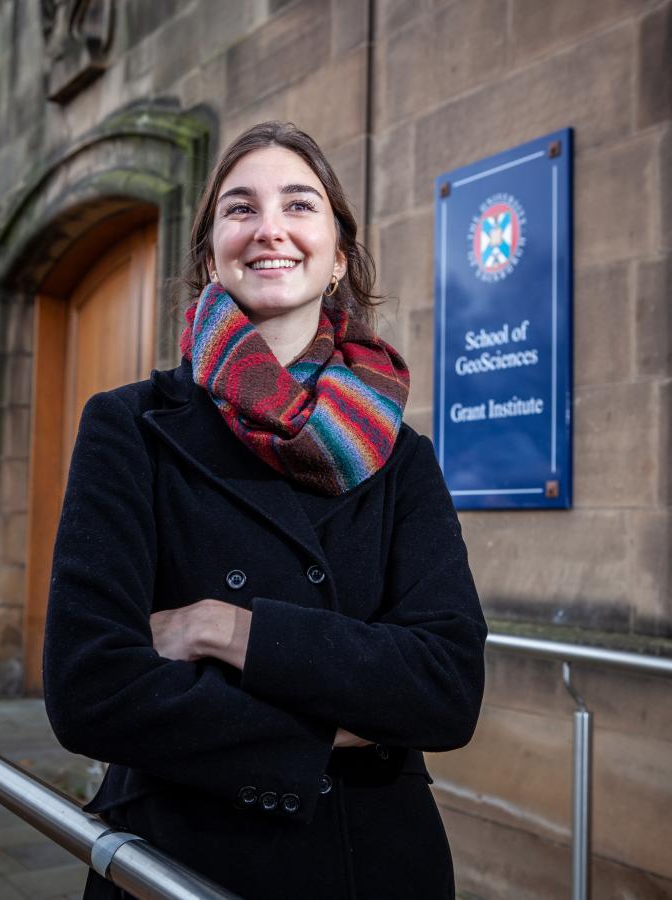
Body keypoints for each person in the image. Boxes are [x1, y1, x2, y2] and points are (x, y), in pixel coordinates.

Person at [43, 121, 487, 900]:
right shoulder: (130, 425)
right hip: (181, 858)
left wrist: (228, 629)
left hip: (371, 858)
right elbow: (89, 686)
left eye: (298, 204)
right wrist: (344, 726)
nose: (270, 229)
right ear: (211, 252)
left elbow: (446, 689)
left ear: (337, 254)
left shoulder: (400, 454)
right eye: (240, 208)